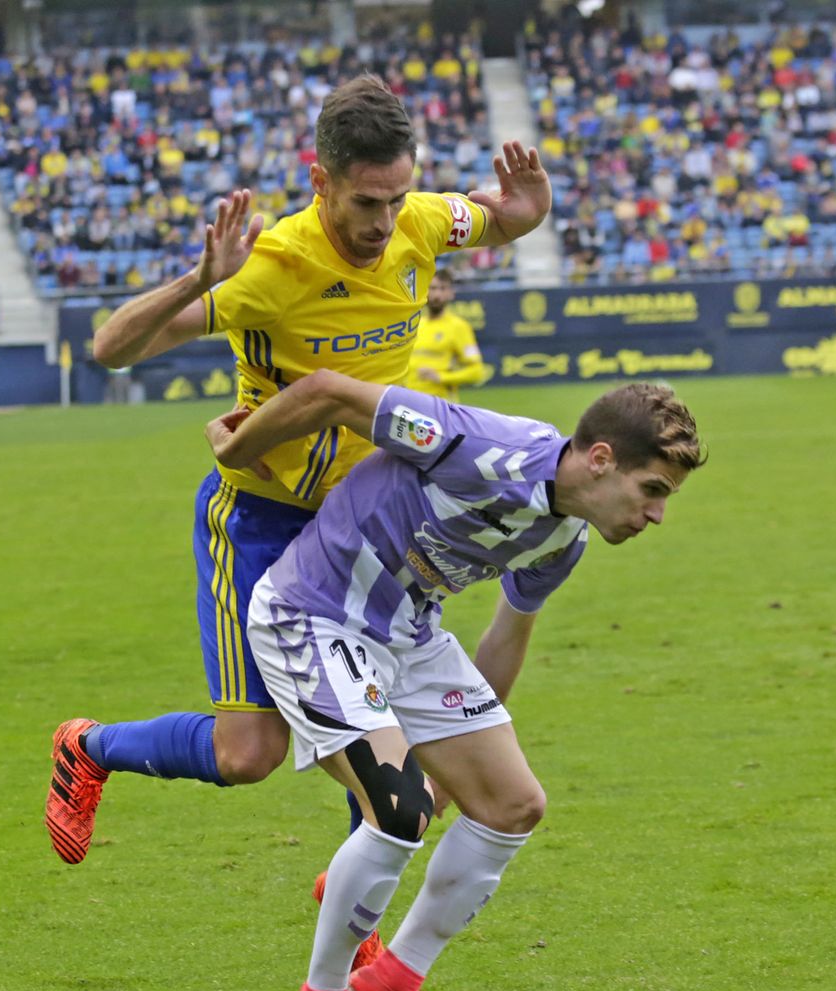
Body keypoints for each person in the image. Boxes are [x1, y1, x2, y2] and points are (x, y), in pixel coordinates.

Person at [46, 74, 551, 864]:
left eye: (397, 198)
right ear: (322, 182)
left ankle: (357, 942)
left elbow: (509, 215)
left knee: (388, 752)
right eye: (366, 203)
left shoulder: (420, 221)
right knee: (248, 755)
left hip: (366, 521)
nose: (385, 222)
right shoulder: (274, 265)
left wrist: (532, 198)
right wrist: (201, 278)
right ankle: (90, 748)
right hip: (261, 516)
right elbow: (111, 349)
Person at [199, 372, 705, 991]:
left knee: (511, 804)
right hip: (312, 617)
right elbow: (330, 394)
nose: (656, 515)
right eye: (652, 490)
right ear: (600, 460)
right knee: (398, 809)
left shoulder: (562, 542)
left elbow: (505, 638)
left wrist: (458, 762)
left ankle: (393, 982)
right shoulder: (477, 447)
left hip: (408, 637)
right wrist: (239, 448)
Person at [403, 267, 488, 399]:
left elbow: (476, 372)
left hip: (441, 405)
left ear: (451, 293)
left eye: (442, 288)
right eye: (432, 288)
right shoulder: (415, 324)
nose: (437, 294)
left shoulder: (459, 326)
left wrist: (441, 377)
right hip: (409, 404)